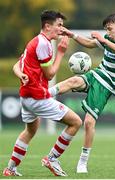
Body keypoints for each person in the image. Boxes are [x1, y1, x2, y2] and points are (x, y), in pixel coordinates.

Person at [48, 13, 115, 173]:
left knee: (89, 123)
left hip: (108, 84)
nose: (108, 33)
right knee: (73, 81)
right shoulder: (109, 39)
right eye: (106, 31)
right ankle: (43, 95)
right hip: (98, 74)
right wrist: (72, 34)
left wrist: (103, 40)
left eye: (110, 29)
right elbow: (89, 43)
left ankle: (82, 162)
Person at [3, 10, 82, 177]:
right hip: (37, 98)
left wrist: (21, 75)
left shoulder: (35, 41)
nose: (61, 29)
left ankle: (10, 168)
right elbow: (50, 74)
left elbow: (16, 65)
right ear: (47, 26)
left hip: (26, 97)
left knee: (30, 131)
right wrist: (61, 52)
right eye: (59, 25)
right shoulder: (43, 44)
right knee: (75, 122)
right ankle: (52, 158)